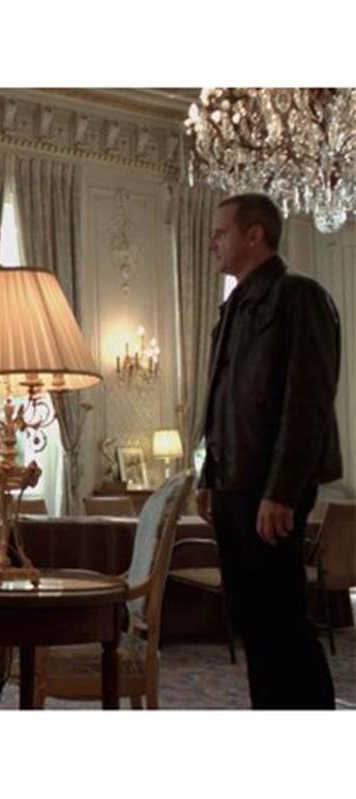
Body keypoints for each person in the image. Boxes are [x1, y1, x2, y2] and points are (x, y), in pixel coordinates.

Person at [197, 193, 340, 709]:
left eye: (221, 232)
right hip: (233, 485)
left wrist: (281, 491)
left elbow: (307, 403)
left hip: (269, 490)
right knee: (252, 621)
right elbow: (222, 399)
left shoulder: (298, 296)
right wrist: (209, 476)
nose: (212, 242)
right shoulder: (235, 305)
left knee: (282, 622)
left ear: (254, 235)